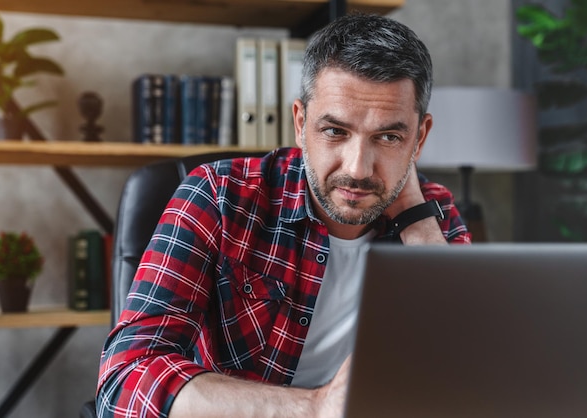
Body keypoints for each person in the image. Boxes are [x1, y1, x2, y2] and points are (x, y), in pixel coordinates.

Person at [97, 12, 471, 418]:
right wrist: (314, 408)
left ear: (419, 139)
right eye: (335, 132)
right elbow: (125, 382)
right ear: (299, 123)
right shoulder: (220, 197)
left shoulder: (435, 216)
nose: (358, 168)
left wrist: (417, 223)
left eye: (389, 137)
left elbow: (470, 372)